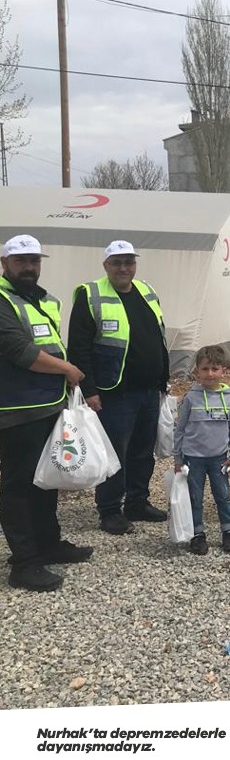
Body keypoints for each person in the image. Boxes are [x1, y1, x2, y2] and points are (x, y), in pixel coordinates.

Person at [0, 234, 92, 592]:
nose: (29, 267)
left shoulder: (41, 300)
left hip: (48, 405)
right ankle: (24, 563)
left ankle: (48, 543)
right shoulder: (3, 299)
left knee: (45, 479)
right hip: (16, 409)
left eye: (34, 260)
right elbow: (19, 351)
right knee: (20, 485)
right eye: (21, 261)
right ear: (5, 263)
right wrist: (67, 369)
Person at [68, 239, 169, 536]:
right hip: (114, 392)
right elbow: (78, 348)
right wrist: (89, 390)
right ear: (106, 265)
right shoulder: (91, 295)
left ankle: (137, 502)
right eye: (117, 263)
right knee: (114, 454)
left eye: (129, 262)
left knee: (143, 452)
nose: (124, 268)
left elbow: (158, 337)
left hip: (149, 390)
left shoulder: (146, 291)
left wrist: (163, 380)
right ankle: (110, 509)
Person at [173, 345, 230, 556]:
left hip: (219, 459)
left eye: (214, 369)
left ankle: (228, 531)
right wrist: (178, 458)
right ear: (197, 371)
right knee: (195, 497)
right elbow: (179, 429)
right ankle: (197, 533)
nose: (210, 374)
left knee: (223, 496)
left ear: (223, 371)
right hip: (193, 459)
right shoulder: (190, 398)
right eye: (205, 369)